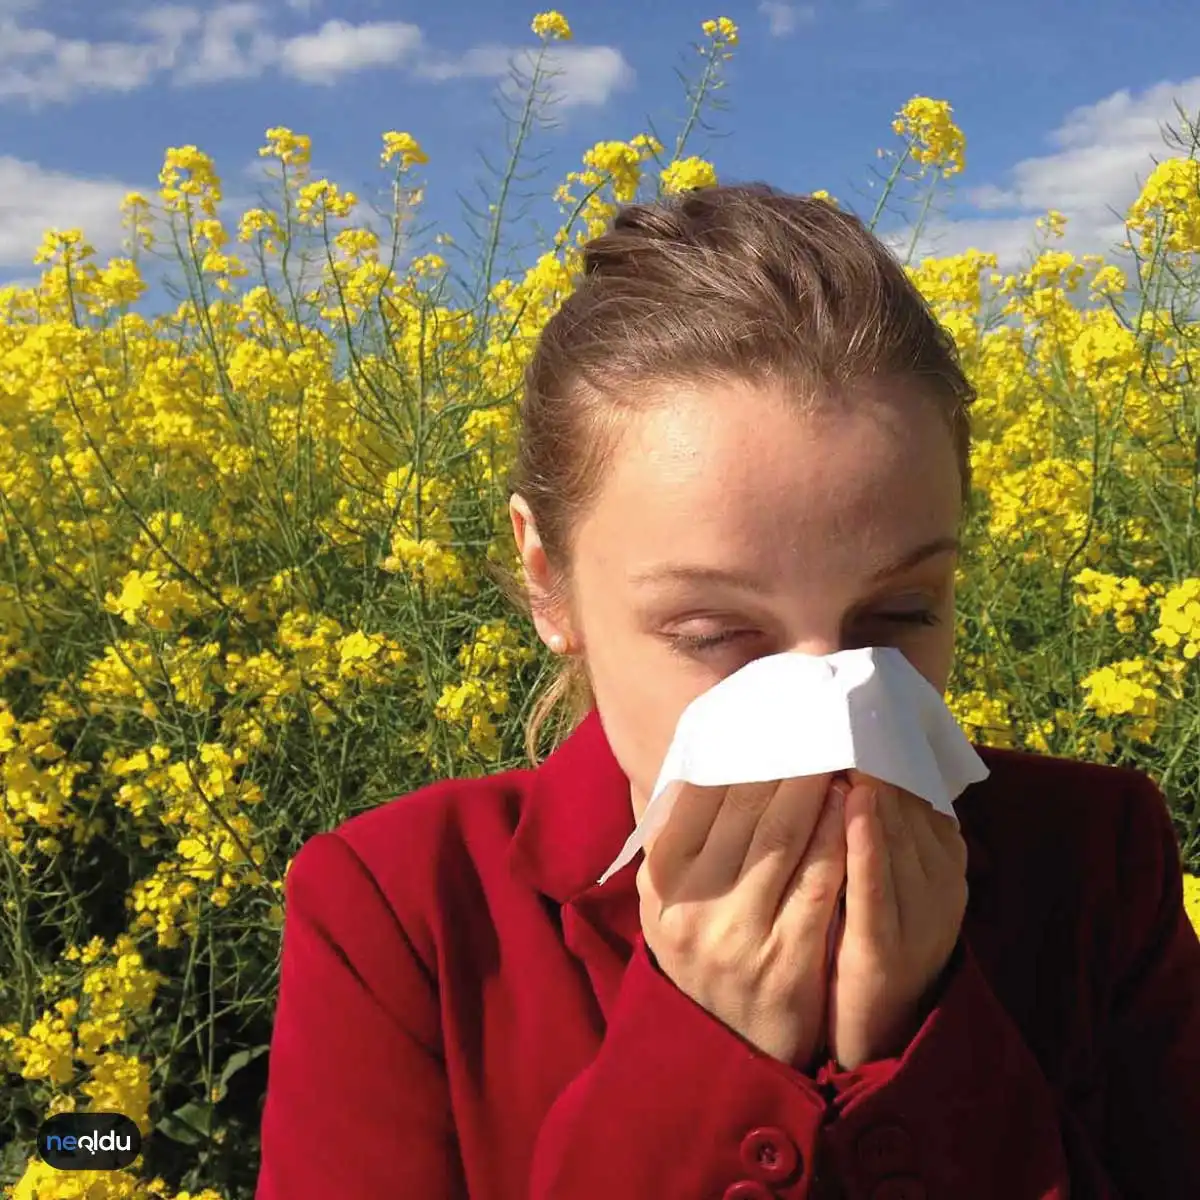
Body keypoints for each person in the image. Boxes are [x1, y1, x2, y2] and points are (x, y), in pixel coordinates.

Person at [253, 184, 1200, 1199]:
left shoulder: (1093, 858)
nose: (830, 716)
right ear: (546, 580)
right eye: (713, 634)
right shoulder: (404, 911)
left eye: (899, 619)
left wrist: (918, 1036)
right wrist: (707, 1054)